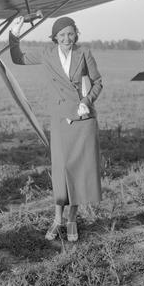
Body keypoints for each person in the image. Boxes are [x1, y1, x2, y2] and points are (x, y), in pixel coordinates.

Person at [9, 16, 103, 242]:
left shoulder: (84, 53)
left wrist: (87, 101)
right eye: (62, 35)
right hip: (60, 119)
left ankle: (71, 220)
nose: (67, 38)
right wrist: (14, 32)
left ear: (76, 34)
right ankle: (57, 219)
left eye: (70, 34)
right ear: (55, 38)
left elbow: (98, 82)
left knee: (78, 172)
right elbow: (17, 58)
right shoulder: (47, 54)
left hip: (82, 120)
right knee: (61, 171)